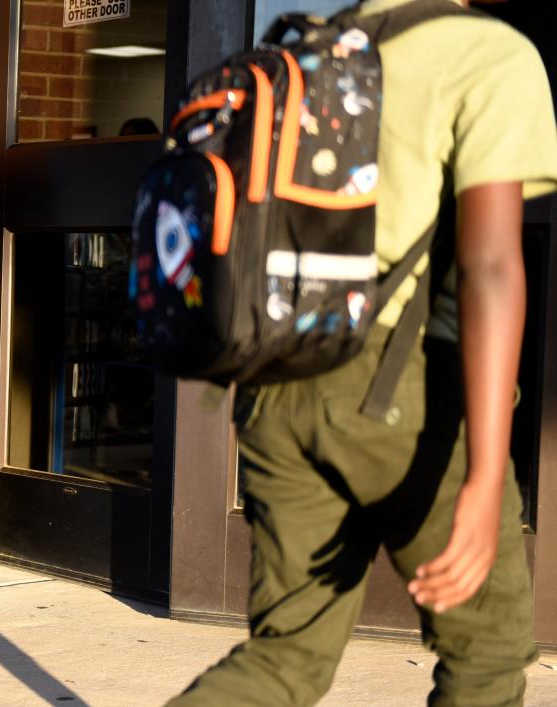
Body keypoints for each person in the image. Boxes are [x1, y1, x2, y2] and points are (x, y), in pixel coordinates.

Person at [169, 0, 557, 704]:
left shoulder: (312, 53)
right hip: (395, 389)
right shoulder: (488, 54)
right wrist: (483, 480)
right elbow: (491, 268)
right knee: (489, 656)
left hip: (274, 382)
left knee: (285, 657)